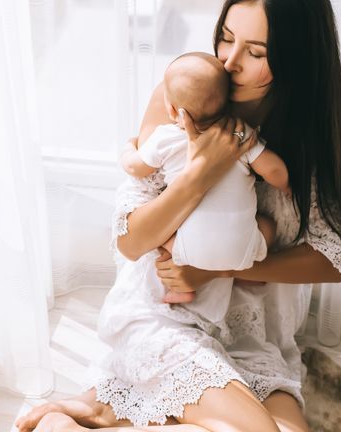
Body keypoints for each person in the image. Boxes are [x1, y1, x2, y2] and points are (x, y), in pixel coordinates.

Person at [15, 0, 341, 432]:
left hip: (252, 333)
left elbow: (333, 257)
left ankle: (90, 417)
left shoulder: (310, 131)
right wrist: (203, 170)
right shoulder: (185, 96)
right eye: (226, 36)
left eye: (255, 51)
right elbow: (132, 241)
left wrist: (226, 265)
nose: (229, 61)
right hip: (165, 316)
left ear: (297, 59)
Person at [117, 51, 288, 316]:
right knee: (267, 225)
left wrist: (129, 148)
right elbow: (276, 171)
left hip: (187, 250)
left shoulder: (166, 137)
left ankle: (180, 290)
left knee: (161, 236)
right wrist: (286, 186)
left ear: (173, 110)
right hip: (243, 250)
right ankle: (247, 273)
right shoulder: (240, 134)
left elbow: (136, 168)